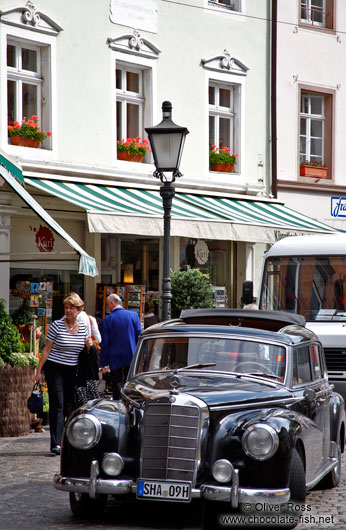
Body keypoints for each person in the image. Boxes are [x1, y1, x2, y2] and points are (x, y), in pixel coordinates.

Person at [35, 292, 93, 455]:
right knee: (58, 404)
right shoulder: (56, 326)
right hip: (54, 368)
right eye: (66, 308)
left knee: (68, 404)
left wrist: (89, 345)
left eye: (72, 308)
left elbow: (85, 352)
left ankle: (66, 439)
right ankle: (56, 443)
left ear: (79, 310)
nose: (68, 311)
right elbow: (46, 350)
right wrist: (39, 371)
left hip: (72, 370)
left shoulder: (83, 327)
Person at [100, 293, 142, 400]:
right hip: (131, 353)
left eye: (107, 304)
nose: (107, 307)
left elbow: (105, 343)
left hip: (114, 355)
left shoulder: (107, 320)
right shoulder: (133, 316)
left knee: (116, 382)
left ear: (112, 303)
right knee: (131, 382)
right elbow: (139, 336)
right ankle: (130, 402)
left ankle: (118, 404)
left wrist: (104, 363)